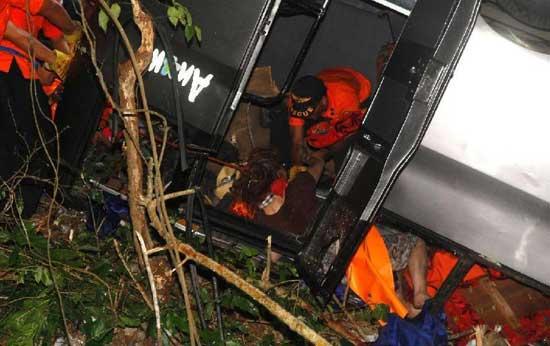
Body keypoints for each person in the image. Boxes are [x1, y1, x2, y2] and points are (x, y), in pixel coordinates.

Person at [0, 0, 75, 217]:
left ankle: (15, 209)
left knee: (33, 140)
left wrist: (65, 62)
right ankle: (13, 212)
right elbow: (49, 10)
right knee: (24, 143)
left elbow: (54, 36)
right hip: (9, 65)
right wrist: (73, 32)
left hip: (23, 70)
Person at [271, 67, 371, 167]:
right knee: (285, 127)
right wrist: (297, 169)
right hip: (327, 79)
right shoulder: (297, 101)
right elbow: (297, 142)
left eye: (310, 112)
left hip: (355, 97)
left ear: (323, 101)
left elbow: (342, 141)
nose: (308, 116)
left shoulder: (346, 102)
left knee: (345, 148)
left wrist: (321, 157)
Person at [229, 148, 328, 235]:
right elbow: (318, 164)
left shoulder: (254, 218)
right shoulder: (299, 187)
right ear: (278, 177)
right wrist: (312, 157)